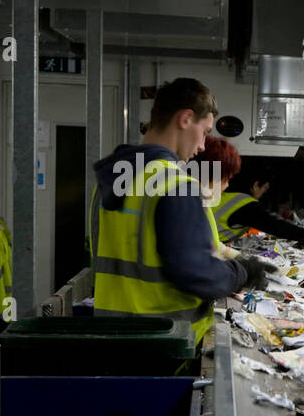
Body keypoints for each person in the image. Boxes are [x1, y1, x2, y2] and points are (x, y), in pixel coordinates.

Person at [90, 78, 270, 344]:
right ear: (185, 119)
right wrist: (243, 272)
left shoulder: (114, 179)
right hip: (164, 343)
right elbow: (196, 274)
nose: (201, 147)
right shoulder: (174, 184)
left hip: (112, 337)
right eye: (205, 132)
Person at [198, 137, 304, 245]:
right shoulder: (243, 203)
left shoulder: (225, 196)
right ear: (255, 185)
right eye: (264, 188)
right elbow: (275, 225)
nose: (226, 185)